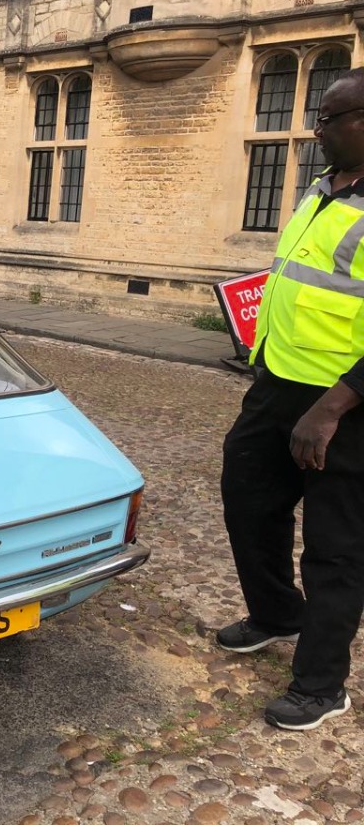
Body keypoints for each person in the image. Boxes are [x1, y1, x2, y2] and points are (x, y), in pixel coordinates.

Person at [218, 67, 364, 730]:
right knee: (248, 494)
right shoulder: (322, 189)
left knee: (335, 548)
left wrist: (332, 407)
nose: (317, 129)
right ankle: (277, 612)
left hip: (345, 406)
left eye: (329, 118)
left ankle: (322, 685)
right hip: (278, 381)